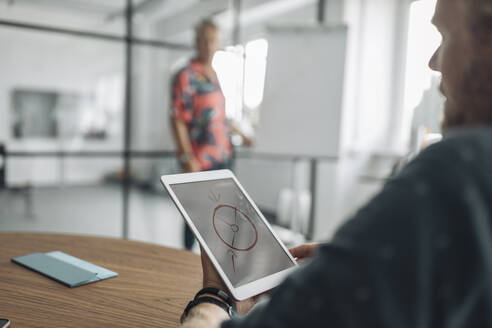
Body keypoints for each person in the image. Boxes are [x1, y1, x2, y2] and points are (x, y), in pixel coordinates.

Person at [179, 0, 492, 326]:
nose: (433, 62)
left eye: (444, 34)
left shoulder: (455, 172)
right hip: (200, 154)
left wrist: (213, 296)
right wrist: (366, 258)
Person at [171, 19, 252, 250]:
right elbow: (177, 117)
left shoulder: (214, 75)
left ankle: (220, 265)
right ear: (196, 42)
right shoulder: (186, 74)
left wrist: (241, 134)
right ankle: (186, 258)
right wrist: (187, 158)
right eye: (204, 40)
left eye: (213, 40)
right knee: (195, 215)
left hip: (223, 155)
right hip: (199, 159)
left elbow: (218, 116)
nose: (208, 45)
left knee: (222, 213)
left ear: (218, 43)